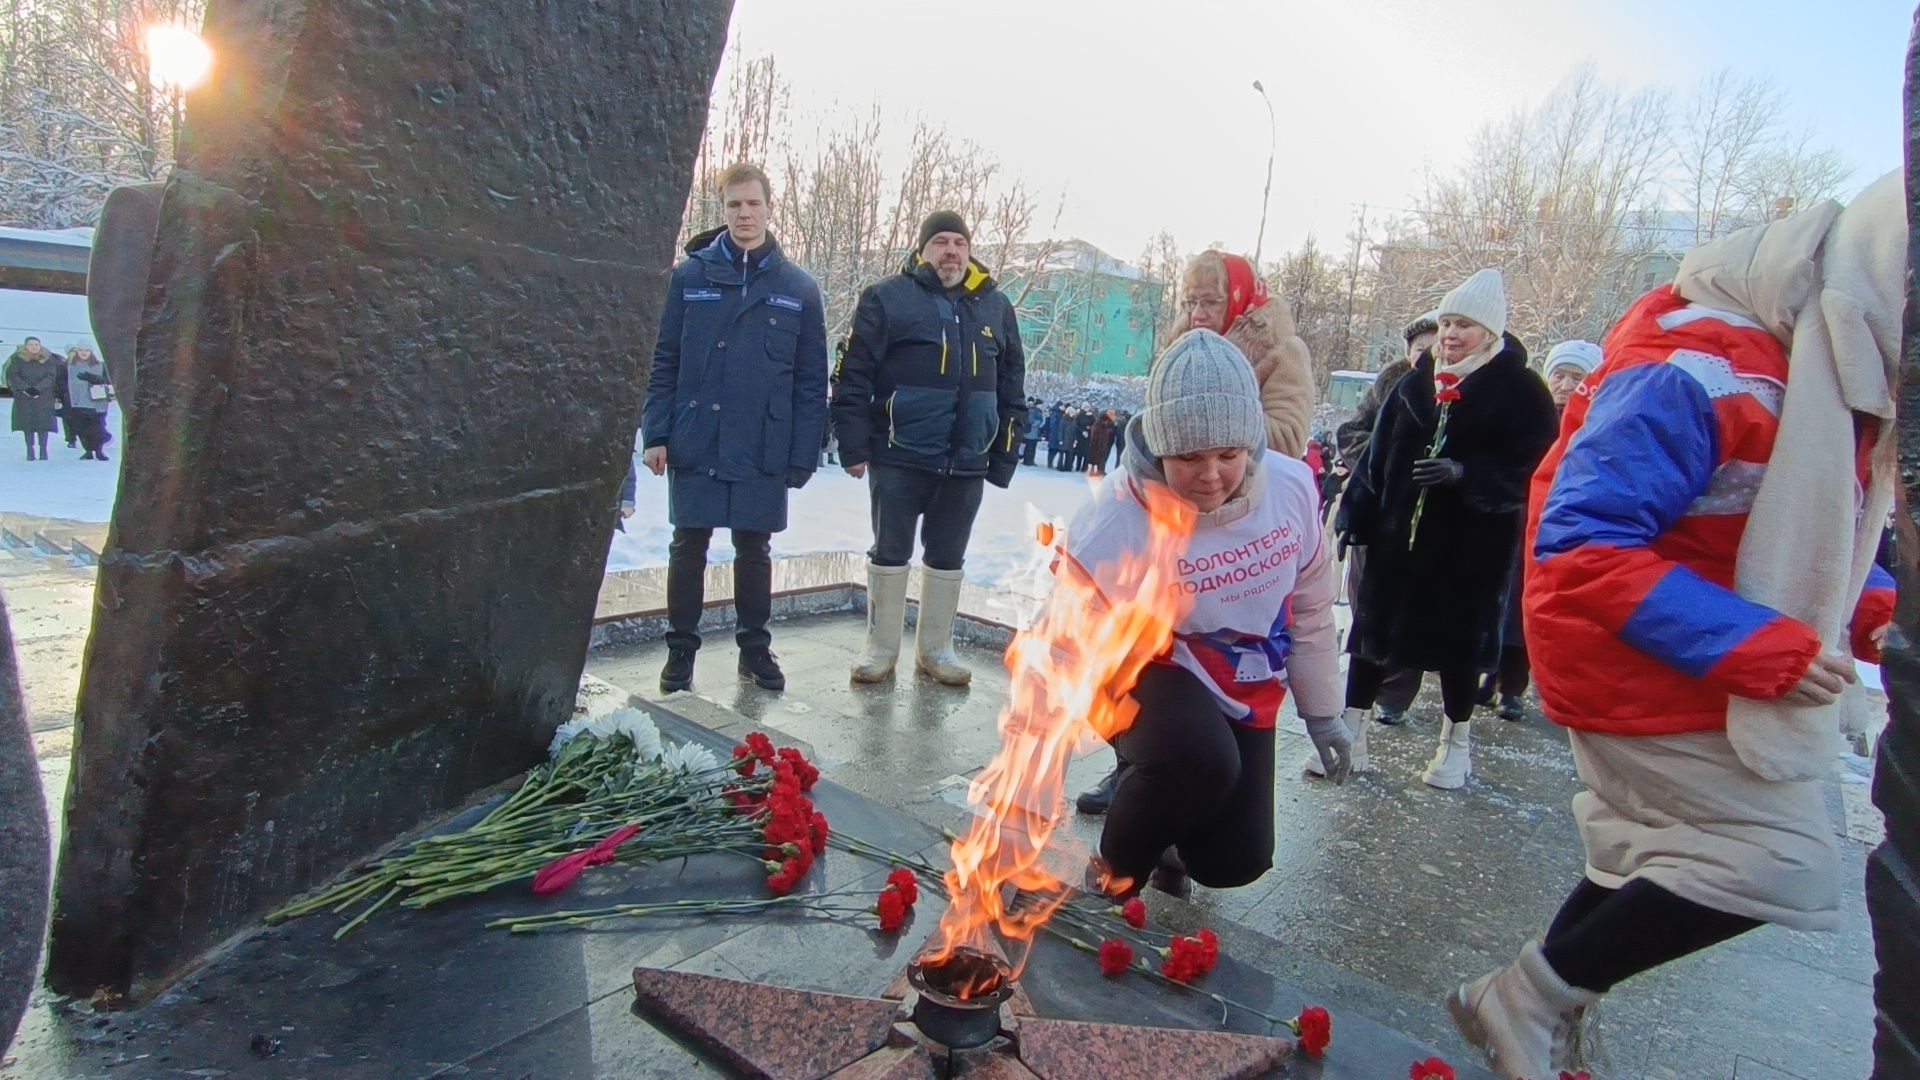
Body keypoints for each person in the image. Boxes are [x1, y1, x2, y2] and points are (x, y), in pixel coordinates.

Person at [1449, 172, 1903, 1080]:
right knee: (1786, 862)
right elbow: (1582, 545)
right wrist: (1762, 647)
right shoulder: (1695, 363)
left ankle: (1539, 1009)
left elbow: (1786, 534)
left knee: (1645, 853)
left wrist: (1878, 614)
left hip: (1686, 652)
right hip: (1632, 659)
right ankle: (1530, 998)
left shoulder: (1817, 369)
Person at [1062, 329, 1343, 898]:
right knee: (1197, 757)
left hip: (1241, 674)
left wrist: (1323, 713)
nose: (1211, 475)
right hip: (1141, 667)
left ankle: (1167, 827)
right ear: (1161, 448)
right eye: (1190, 457)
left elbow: (1311, 609)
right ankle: (1115, 869)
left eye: (1228, 455)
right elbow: (1071, 644)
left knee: (1235, 861)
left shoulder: (1289, 492)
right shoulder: (1114, 520)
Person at [1335, 269, 1558, 789]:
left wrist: (1468, 475)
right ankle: (1351, 734)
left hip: (1469, 553)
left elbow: (1537, 466)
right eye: (1448, 323)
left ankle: (1454, 745)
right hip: (1396, 545)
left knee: (1459, 649)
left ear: (1491, 333)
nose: (1452, 335)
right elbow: (1374, 462)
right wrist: (1356, 513)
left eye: (1465, 326)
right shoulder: (1414, 384)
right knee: (1371, 637)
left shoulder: (1523, 392)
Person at [640, 163, 829, 694]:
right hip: (697, 436)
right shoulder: (690, 278)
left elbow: (812, 382)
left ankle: (754, 649)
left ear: (771, 208)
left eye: (754, 204)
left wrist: (802, 453)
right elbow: (664, 361)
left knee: (754, 549)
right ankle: (681, 650)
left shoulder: (798, 288)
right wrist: (657, 433)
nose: (745, 215)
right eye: (734, 205)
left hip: (761, 442)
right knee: (688, 545)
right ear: (721, 211)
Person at [831, 210, 1027, 686]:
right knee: (891, 552)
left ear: (969, 250)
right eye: (940, 241)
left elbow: (1012, 385)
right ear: (923, 250)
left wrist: (1002, 455)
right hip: (899, 455)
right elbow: (854, 375)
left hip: (966, 462)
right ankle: (881, 649)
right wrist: (853, 444)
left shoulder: (995, 307)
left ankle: (936, 649)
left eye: (959, 242)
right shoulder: (887, 298)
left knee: (948, 557)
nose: (951, 251)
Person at [1476, 339, 1604, 721]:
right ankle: (1488, 673)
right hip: (1514, 519)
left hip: (1558, 527)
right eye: (1559, 375)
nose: (1565, 384)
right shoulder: (1530, 412)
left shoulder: (1595, 421)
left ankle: (1513, 686)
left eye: (1575, 377)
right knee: (1498, 601)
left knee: (1529, 609)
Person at [1165, 251, 1315, 457]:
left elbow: (1287, 442)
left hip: (1250, 486)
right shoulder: (1180, 351)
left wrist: (1208, 410)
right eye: (1192, 302)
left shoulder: (1283, 351)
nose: (1197, 314)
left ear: (1239, 297)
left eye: (1210, 302)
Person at [4, 339, 61, 461]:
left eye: (36, 344)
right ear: (25, 346)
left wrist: (38, 389)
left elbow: (51, 376)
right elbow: (13, 375)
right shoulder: (17, 360)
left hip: (44, 398)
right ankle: (30, 450)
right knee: (27, 425)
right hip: (24, 398)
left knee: (43, 425)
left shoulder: (48, 360)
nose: (34, 347)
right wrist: (26, 389)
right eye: (31, 344)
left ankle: (43, 450)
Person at [62, 345, 111, 461]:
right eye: (81, 350)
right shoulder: (69, 366)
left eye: (87, 350)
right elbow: (61, 381)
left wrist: (96, 379)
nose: (84, 353)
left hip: (97, 402)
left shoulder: (99, 365)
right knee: (82, 428)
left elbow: (108, 379)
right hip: (78, 402)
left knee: (97, 428)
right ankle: (88, 451)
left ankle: (99, 450)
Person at [1087, 409, 1116, 476]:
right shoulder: (1101, 425)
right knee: (1097, 458)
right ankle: (1096, 471)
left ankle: (1098, 470)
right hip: (1098, 443)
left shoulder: (1103, 424)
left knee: (1098, 458)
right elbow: (1098, 433)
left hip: (1101, 443)